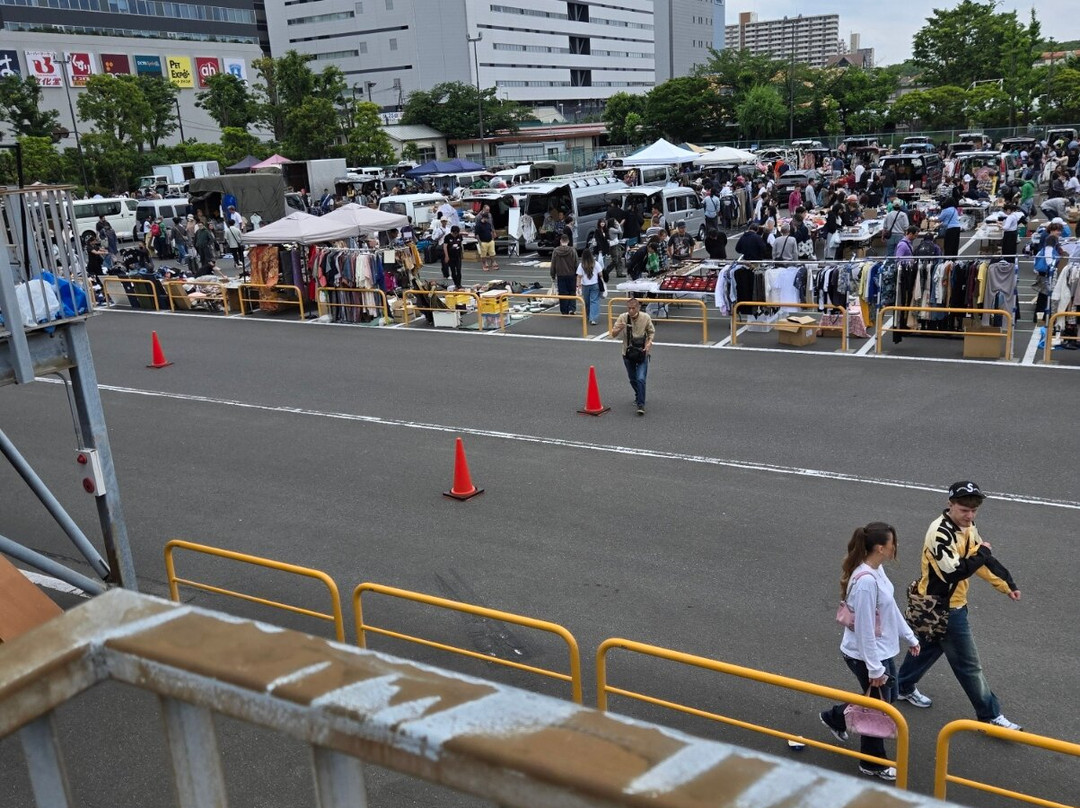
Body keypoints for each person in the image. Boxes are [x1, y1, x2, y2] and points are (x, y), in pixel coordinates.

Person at [895, 481, 1022, 731]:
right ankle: (990, 715)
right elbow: (955, 572)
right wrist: (982, 554)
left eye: (974, 510)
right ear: (950, 504)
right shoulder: (939, 534)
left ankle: (902, 687)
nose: (970, 515)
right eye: (964, 509)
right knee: (969, 665)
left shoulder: (967, 527)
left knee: (929, 647)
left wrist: (1006, 584)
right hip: (944, 608)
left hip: (941, 605)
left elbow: (979, 561)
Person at [820, 523, 920, 782]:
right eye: (892, 543)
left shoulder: (877, 571)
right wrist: (875, 669)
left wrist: (909, 636)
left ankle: (835, 718)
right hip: (866, 655)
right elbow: (864, 629)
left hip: (881, 651)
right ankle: (872, 763)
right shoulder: (865, 582)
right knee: (879, 707)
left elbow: (890, 608)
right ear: (880, 548)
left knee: (886, 698)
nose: (894, 547)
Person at [609, 296, 654, 416]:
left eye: (633, 308)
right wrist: (619, 329)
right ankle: (638, 393)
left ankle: (641, 404)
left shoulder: (645, 317)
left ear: (638, 307)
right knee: (632, 378)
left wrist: (649, 343)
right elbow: (612, 334)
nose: (631, 311)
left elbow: (651, 332)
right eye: (629, 308)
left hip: (642, 352)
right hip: (627, 353)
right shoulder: (623, 318)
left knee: (640, 378)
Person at [550, 233, 578, 315]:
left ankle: (564, 310)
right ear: (568, 241)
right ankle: (572, 309)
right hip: (571, 274)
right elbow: (576, 263)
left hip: (560, 275)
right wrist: (577, 274)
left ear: (560, 241)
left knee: (563, 293)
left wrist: (552, 275)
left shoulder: (556, 251)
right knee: (572, 292)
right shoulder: (572, 250)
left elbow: (553, 264)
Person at [575, 247, 603, 325]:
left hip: (585, 285)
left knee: (587, 302)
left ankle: (587, 315)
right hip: (595, 284)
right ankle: (593, 318)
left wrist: (578, 286)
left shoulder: (581, 265)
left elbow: (579, 276)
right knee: (594, 301)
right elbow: (600, 274)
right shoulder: (595, 263)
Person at [475, 204, 497, 271]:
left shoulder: (489, 215)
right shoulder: (478, 217)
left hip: (489, 232)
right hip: (482, 235)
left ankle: (493, 262)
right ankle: (485, 263)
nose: (488, 211)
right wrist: (479, 241)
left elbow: (491, 224)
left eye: (489, 210)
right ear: (483, 209)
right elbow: (477, 228)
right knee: (483, 252)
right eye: (487, 210)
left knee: (492, 251)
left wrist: (494, 232)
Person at [442, 224, 464, 289]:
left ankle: (459, 284)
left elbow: (461, 244)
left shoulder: (459, 236)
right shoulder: (447, 237)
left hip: (458, 256)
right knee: (453, 271)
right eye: (454, 233)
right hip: (451, 256)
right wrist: (446, 256)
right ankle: (456, 283)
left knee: (459, 270)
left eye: (457, 233)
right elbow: (445, 246)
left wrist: (462, 252)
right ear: (452, 232)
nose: (456, 235)